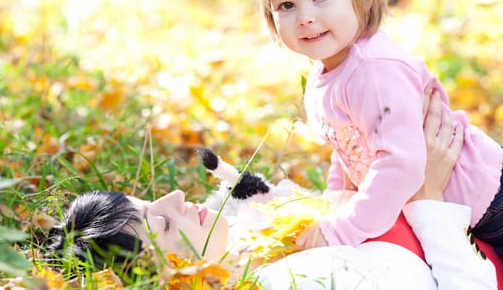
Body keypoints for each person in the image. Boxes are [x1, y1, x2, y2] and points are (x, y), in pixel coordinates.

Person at [47, 92, 502, 289]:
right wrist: (429, 197)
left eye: (151, 202)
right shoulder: (299, 282)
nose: (176, 199)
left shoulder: (254, 249)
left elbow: (297, 203)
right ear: (168, 281)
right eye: (162, 223)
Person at [252, 0, 503, 257]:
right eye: (285, 5)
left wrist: (343, 229)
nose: (304, 16)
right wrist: (335, 203)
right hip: (447, 203)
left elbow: (402, 164)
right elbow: (347, 147)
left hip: (488, 197)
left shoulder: (374, 70)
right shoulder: (328, 71)